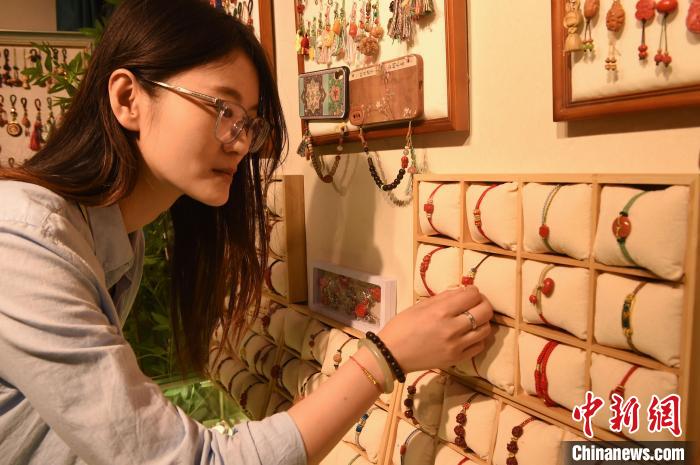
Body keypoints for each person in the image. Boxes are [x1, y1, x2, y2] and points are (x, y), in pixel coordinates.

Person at [0, 1, 493, 464]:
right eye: (223, 109)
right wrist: (385, 357)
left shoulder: (118, 237)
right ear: (129, 99)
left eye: (249, 123)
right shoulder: (25, 243)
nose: (241, 143)